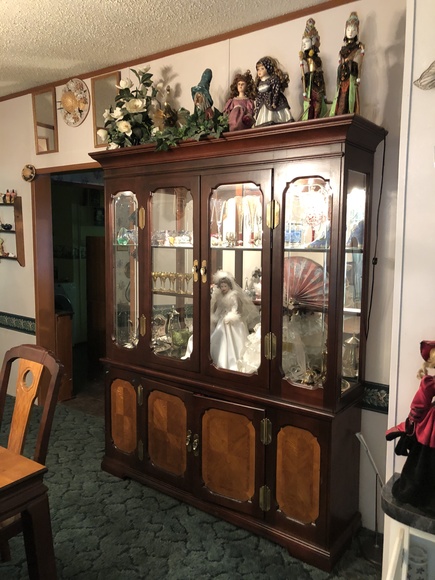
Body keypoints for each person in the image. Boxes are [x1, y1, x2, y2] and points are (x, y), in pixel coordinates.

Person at [385, 340, 435, 514]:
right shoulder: (431, 383)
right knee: (424, 459)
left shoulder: (430, 384)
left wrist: (411, 423)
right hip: (431, 429)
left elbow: (418, 407)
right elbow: (418, 407)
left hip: (431, 429)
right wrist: (410, 425)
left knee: (424, 460)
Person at [210, 270, 259, 371]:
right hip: (222, 318)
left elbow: (235, 308)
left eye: (225, 286)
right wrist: (215, 316)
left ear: (229, 286)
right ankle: (218, 358)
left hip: (232, 319)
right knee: (218, 334)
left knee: (233, 336)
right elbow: (219, 308)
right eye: (222, 286)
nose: (223, 288)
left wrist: (231, 316)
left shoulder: (233, 295)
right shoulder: (220, 296)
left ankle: (233, 360)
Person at [329, 12, 364, 116]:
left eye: (353, 30)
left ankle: (349, 112)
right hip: (342, 76)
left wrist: (358, 77)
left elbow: (359, 64)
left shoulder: (358, 48)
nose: (350, 32)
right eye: (348, 29)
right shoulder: (342, 50)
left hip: (351, 76)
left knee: (350, 96)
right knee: (340, 95)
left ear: (357, 31)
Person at [299, 18, 327, 120]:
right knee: (310, 100)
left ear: (313, 41)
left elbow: (321, 73)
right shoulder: (305, 58)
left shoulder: (316, 58)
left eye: (306, 41)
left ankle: (317, 117)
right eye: (303, 42)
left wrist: (325, 95)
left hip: (317, 80)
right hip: (310, 80)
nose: (304, 44)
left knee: (317, 100)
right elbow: (303, 74)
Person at [254, 56, 294, 127]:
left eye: (262, 69)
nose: (259, 71)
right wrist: (257, 108)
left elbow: (276, 91)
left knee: (273, 117)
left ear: (268, 68)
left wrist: (274, 101)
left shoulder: (273, 79)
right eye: (258, 69)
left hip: (272, 103)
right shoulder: (259, 83)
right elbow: (259, 96)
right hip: (263, 105)